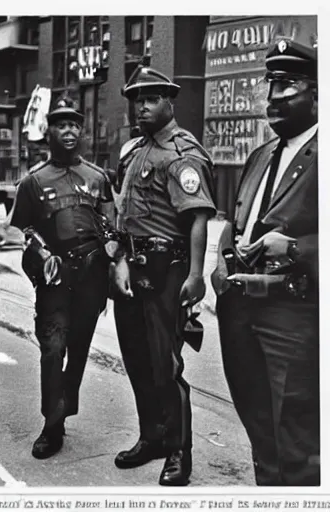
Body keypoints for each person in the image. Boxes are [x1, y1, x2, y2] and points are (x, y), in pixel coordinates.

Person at [212, 39, 319, 485]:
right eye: (271, 83)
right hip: (239, 309)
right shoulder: (259, 156)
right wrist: (219, 265)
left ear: (318, 93)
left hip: (291, 315)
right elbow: (235, 222)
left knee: (296, 434)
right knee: (258, 426)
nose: (275, 95)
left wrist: (295, 249)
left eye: (289, 83)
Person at [111, 65, 216, 486]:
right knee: (136, 360)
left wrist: (196, 275)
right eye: (137, 98)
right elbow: (125, 215)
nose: (142, 105)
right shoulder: (134, 151)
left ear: (169, 101)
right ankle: (151, 437)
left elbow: (197, 219)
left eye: (151, 98)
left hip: (166, 271)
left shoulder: (182, 152)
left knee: (165, 367)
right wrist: (118, 258)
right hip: (131, 269)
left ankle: (178, 451)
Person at [9, 97, 113, 459]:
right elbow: (18, 231)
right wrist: (40, 253)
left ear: (81, 131)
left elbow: (111, 226)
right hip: (55, 279)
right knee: (53, 349)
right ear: (48, 131)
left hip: (91, 278)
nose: (68, 131)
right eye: (60, 125)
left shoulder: (98, 178)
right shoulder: (33, 182)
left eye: (74, 125)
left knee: (79, 350)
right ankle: (51, 426)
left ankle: (63, 411)